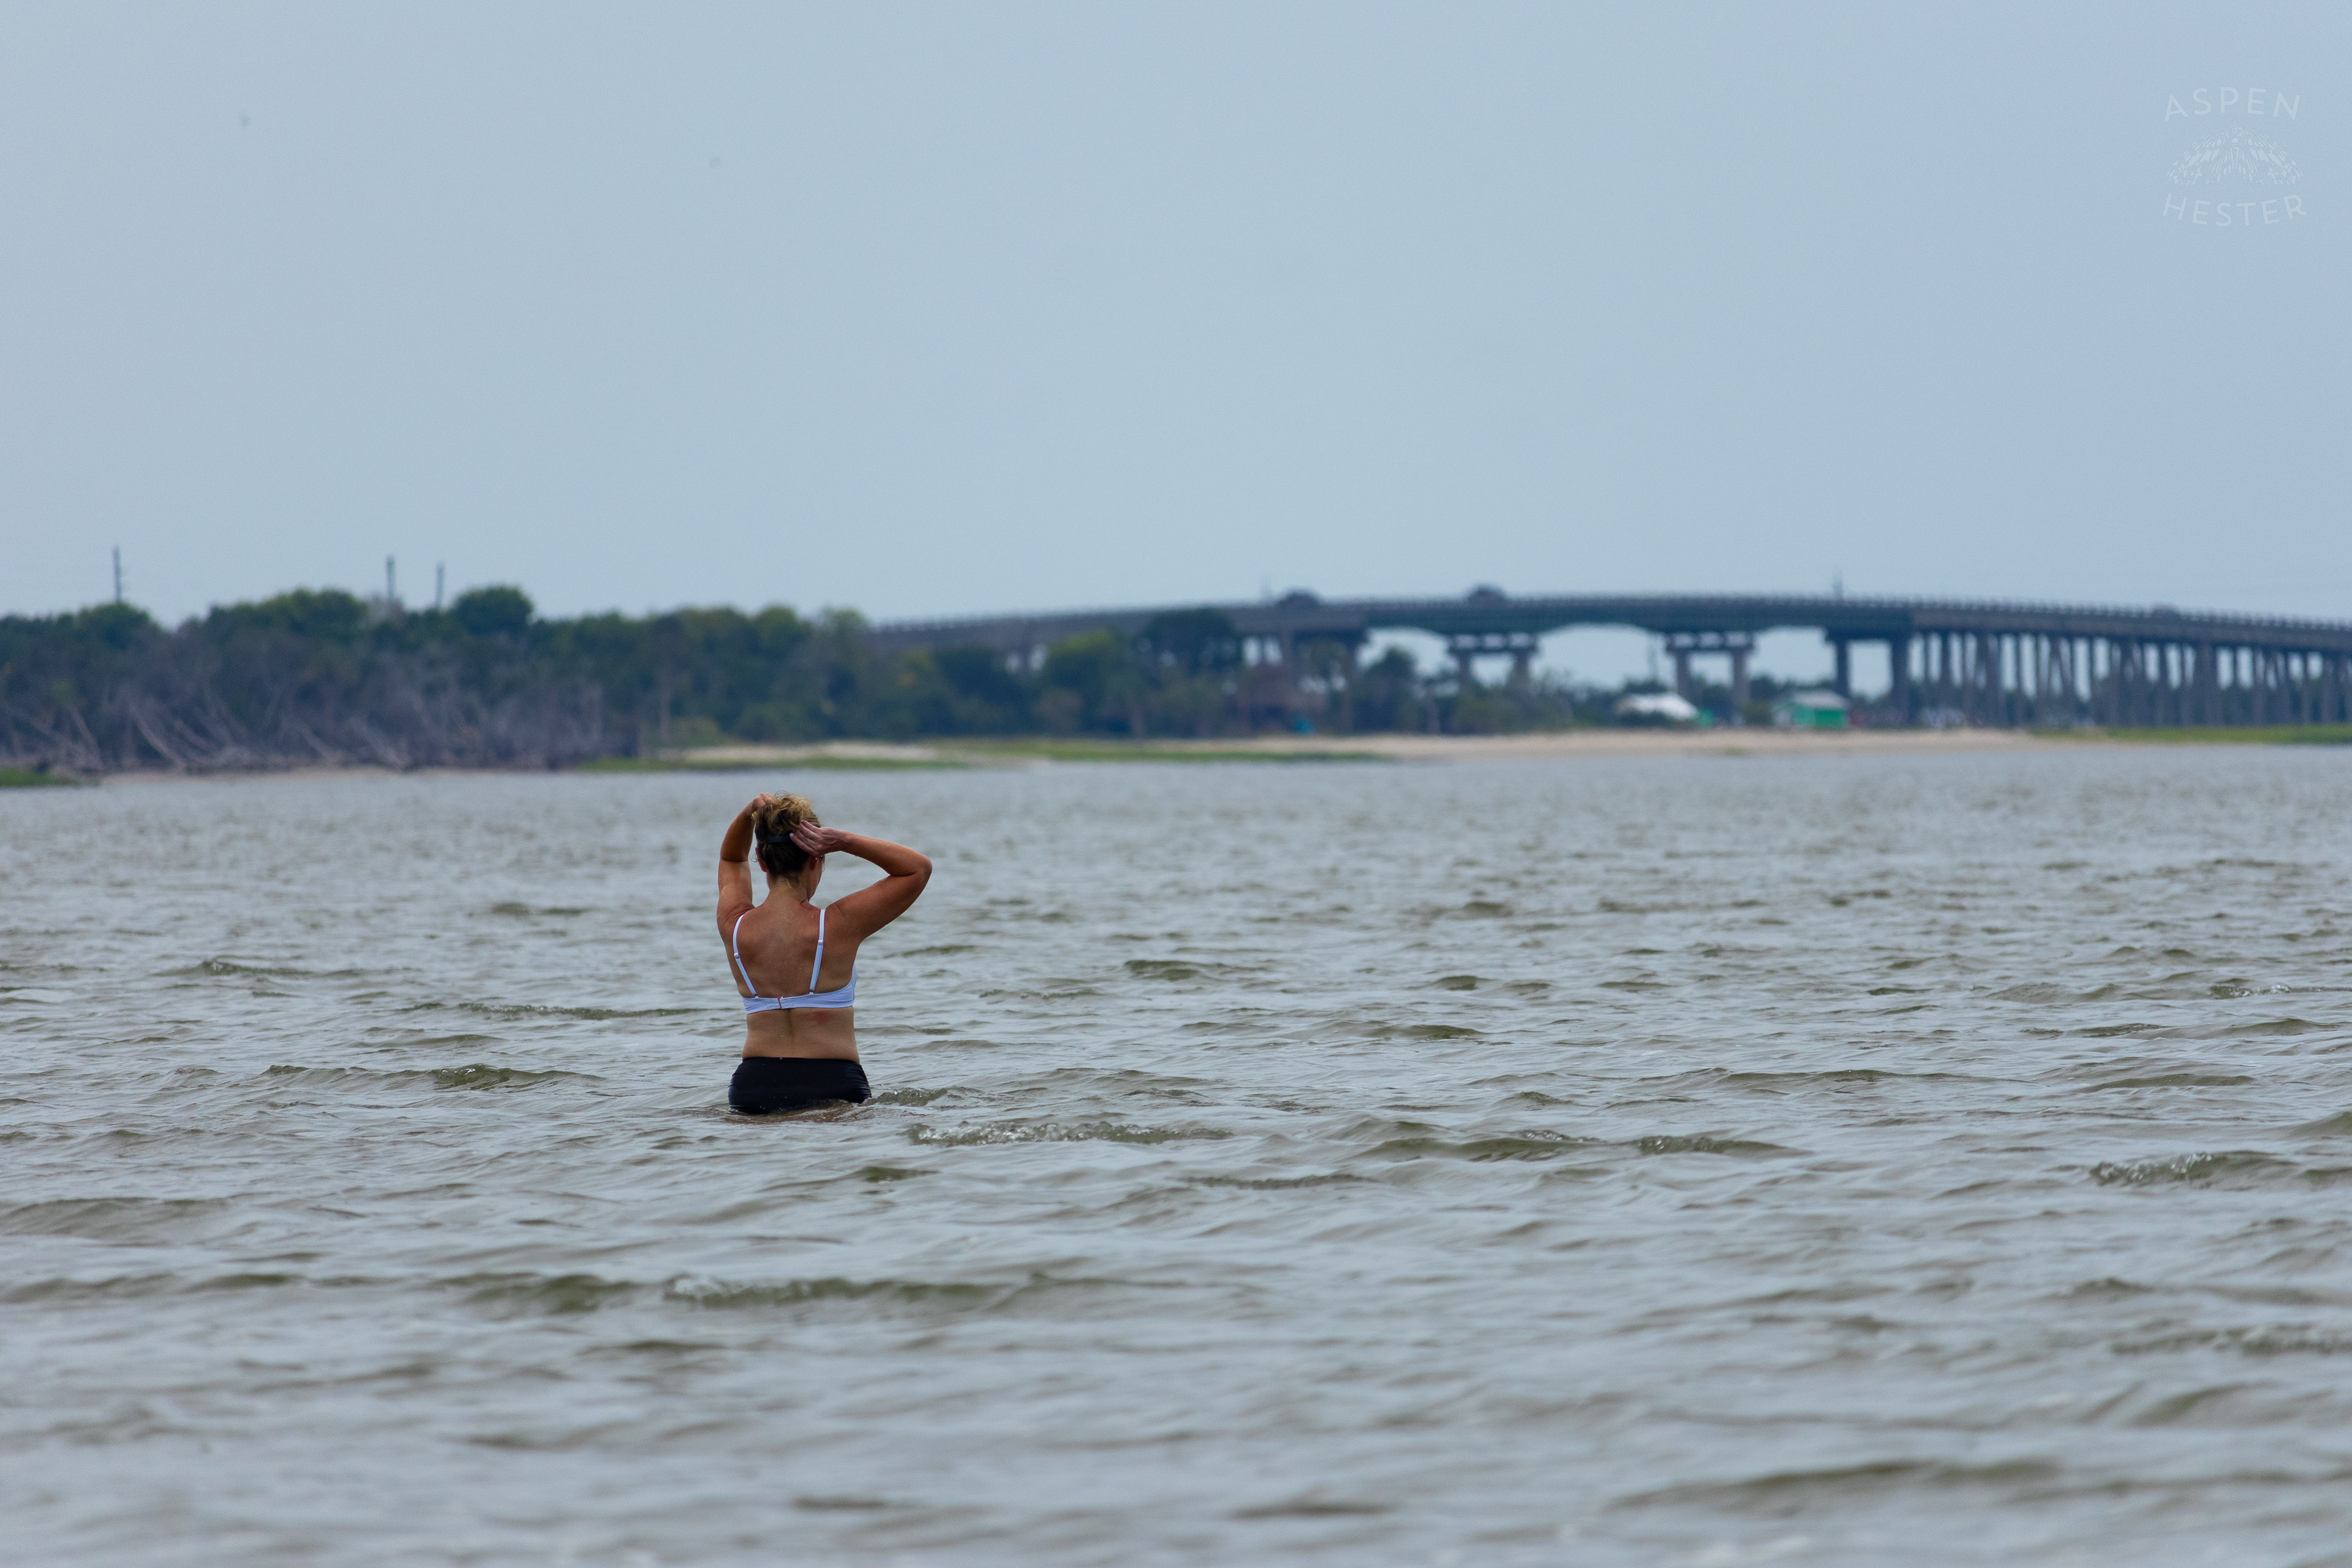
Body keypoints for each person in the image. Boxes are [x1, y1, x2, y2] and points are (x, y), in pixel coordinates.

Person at [717, 792, 932, 1114]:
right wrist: (843, 840)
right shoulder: (838, 924)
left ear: (760, 861)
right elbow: (917, 869)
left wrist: (751, 811)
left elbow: (732, 859)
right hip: (831, 1079)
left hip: (754, 1084)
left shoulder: (734, 925)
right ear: (816, 858)